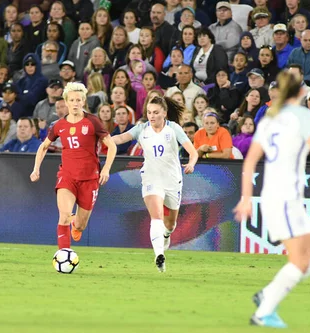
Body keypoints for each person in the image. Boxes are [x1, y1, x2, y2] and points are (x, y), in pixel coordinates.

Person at [233, 70, 310, 328]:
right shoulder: (302, 115)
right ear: (300, 92)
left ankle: (268, 294)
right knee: (300, 260)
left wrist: (247, 198)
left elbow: (250, 160)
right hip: (285, 197)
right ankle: (263, 313)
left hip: (282, 197)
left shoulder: (269, 120)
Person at [111, 96, 198, 272]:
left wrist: (191, 163)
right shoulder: (142, 129)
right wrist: (101, 138)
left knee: (170, 224)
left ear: (164, 113)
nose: (152, 116)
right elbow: (120, 139)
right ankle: (159, 255)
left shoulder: (173, 129)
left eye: (156, 112)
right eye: (149, 112)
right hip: (151, 179)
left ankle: (166, 235)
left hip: (172, 180)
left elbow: (193, 152)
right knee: (156, 216)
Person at [30, 82, 117, 249]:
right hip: (67, 176)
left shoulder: (93, 122)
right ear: (66, 102)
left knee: (79, 225)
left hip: (90, 178)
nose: (75, 103)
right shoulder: (58, 125)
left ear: (83, 102)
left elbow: (111, 145)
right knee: (63, 215)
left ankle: (76, 226)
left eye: (79, 100)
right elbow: (44, 146)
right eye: (72, 100)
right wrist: (36, 168)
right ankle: (64, 254)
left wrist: (106, 169)